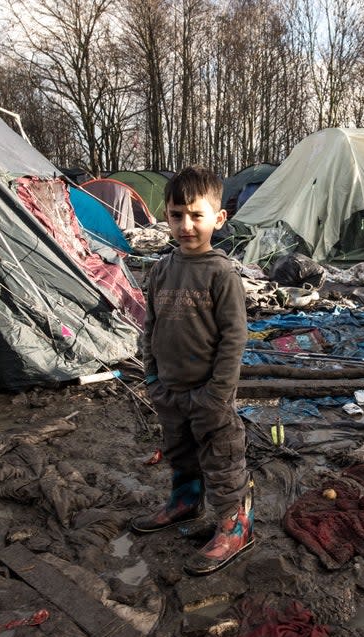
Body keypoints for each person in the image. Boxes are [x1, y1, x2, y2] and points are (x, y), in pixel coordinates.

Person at [132, 166, 254, 576]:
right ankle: (185, 502)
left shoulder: (221, 274)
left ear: (218, 219)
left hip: (209, 396)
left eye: (196, 215)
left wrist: (217, 395)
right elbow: (150, 327)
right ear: (165, 216)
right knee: (181, 454)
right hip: (169, 392)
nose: (186, 225)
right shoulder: (161, 271)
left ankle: (235, 526)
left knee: (222, 461)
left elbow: (234, 339)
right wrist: (152, 378)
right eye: (176, 214)